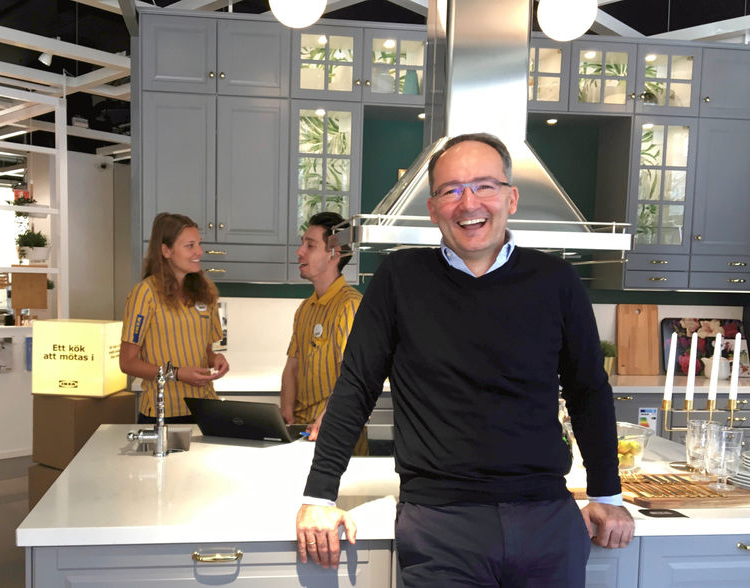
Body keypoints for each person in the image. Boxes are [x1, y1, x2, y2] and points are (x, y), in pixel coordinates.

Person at [295, 133, 634, 587]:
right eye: (450, 190)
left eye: (485, 186)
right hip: (439, 521)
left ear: (511, 198)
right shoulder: (399, 278)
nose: (468, 202)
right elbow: (356, 386)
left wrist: (606, 491)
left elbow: (588, 390)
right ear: (433, 208)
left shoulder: (557, 281)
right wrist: (320, 492)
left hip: (546, 517)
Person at [120, 212, 229, 424]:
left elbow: (205, 351)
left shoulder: (206, 291)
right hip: (162, 412)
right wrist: (176, 374)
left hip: (204, 407)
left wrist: (216, 359)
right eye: (190, 245)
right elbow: (127, 362)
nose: (199, 251)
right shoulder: (145, 294)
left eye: (199, 244)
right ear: (166, 250)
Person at [280, 212, 368, 455]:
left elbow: (354, 377)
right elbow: (293, 366)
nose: (300, 252)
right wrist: (286, 412)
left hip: (336, 430)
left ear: (334, 253)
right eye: (302, 244)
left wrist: (329, 416)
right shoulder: (305, 308)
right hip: (303, 432)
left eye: (310, 245)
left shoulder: (350, 306)